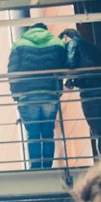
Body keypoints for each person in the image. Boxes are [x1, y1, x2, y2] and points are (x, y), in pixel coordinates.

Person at [8, 22, 68, 170]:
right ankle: (47, 166)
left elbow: (13, 71)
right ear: (45, 30)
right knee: (48, 132)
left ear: (30, 30)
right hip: (49, 94)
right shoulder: (57, 43)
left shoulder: (19, 44)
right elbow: (62, 68)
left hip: (27, 95)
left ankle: (35, 167)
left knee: (33, 134)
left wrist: (16, 94)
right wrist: (58, 90)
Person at [60, 28, 101, 157]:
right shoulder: (92, 47)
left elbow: (71, 65)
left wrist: (69, 82)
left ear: (65, 37)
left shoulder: (72, 43)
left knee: (99, 133)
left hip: (92, 93)